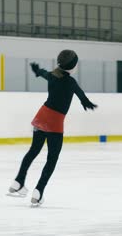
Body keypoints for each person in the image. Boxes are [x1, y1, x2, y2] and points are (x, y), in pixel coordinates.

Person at [8, 49, 97, 205]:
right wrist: (86, 103)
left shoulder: (53, 75)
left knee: (33, 150)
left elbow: (43, 73)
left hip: (41, 116)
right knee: (52, 159)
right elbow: (81, 95)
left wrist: (37, 71)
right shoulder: (70, 82)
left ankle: (18, 181)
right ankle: (38, 191)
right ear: (72, 66)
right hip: (55, 122)